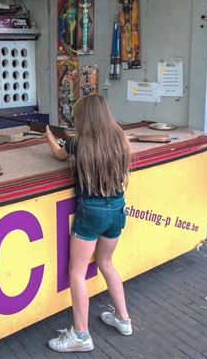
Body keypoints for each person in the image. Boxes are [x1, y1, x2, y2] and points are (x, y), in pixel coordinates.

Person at [46, 94, 132, 352]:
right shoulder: (121, 140)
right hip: (117, 208)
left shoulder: (77, 142)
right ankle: (123, 319)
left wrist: (49, 136)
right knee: (106, 263)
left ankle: (81, 336)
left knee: (77, 272)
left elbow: (59, 155)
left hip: (91, 212)